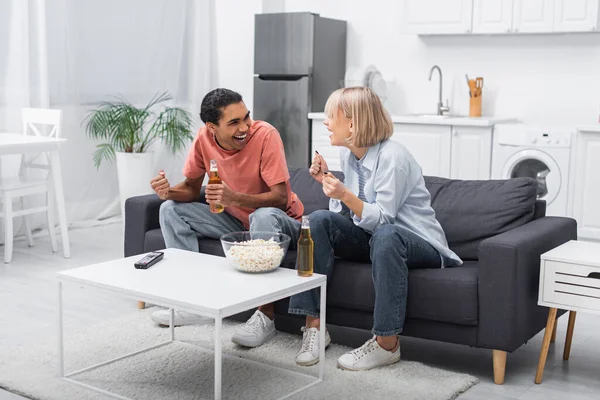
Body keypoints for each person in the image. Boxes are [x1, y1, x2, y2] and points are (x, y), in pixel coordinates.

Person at [287, 87, 462, 370]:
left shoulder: (394, 157)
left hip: (419, 243)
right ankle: (315, 328)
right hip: (375, 239)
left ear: (353, 124)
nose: (326, 122)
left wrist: (344, 194)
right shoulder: (349, 155)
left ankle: (386, 344)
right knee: (318, 220)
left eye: (332, 116)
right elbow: (349, 215)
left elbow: (384, 221)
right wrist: (330, 185)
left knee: (386, 235)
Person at [149, 88, 304, 348]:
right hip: (236, 220)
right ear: (212, 127)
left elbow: (280, 197)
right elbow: (189, 189)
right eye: (234, 122)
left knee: (262, 217)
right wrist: (168, 192)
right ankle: (194, 303)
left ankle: (265, 316)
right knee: (170, 210)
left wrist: (233, 198)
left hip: (281, 222)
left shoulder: (266, 135)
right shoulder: (203, 139)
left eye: (246, 117)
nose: (244, 126)